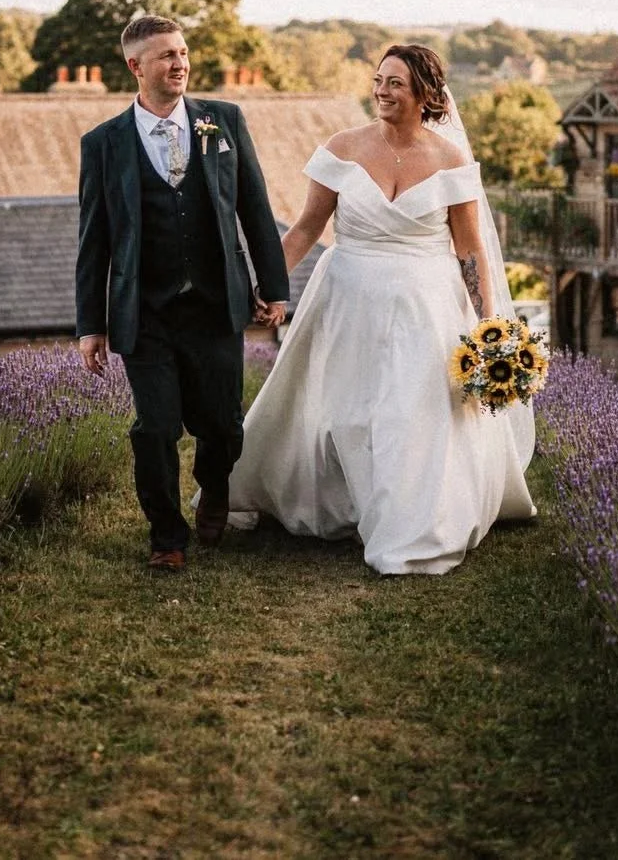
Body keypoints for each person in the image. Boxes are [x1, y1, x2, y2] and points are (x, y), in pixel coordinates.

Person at [225, 44, 536, 575]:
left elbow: (469, 250)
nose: (382, 91)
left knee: (409, 414)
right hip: (348, 298)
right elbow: (304, 228)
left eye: (395, 83)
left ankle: (409, 525)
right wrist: (265, 285)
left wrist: (488, 324)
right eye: (378, 80)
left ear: (424, 95)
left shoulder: (450, 159)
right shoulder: (342, 149)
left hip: (427, 305)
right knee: (346, 410)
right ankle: (345, 501)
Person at [75, 15, 290, 572]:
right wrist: (89, 325)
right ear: (135, 67)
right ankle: (167, 536)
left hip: (216, 305)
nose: (180, 63)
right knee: (156, 428)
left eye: (183, 52)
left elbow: (255, 209)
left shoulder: (224, 122)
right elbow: (92, 240)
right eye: (166, 55)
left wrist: (274, 288)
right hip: (144, 313)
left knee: (222, 424)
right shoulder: (103, 144)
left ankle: (215, 488)